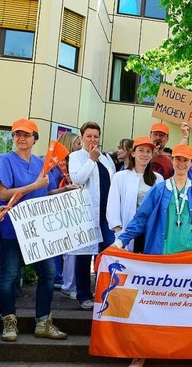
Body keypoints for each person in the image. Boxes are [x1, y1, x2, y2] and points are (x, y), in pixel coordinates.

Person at [113, 143, 192, 367]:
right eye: (178, 159)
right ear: (173, 162)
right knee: (152, 307)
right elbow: (140, 219)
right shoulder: (159, 190)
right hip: (162, 259)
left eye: (185, 160)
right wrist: (121, 240)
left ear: (191, 164)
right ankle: (141, 351)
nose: (181, 164)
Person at [0, 118, 76, 342]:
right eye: (16, 134)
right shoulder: (4, 160)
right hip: (12, 227)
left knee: (49, 274)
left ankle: (43, 321)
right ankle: (9, 321)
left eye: (26, 134)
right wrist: (34, 185)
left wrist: (66, 190)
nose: (20, 138)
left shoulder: (42, 163)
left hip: (39, 231)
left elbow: (46, 192)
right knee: (10, 276)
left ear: (35, 139)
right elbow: (3, 195)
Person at [68, 121, 117, 310]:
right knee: (84, 255)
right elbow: (78, 179)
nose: (92, 140)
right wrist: (91, 159)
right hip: (86, 213)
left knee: (107, 252)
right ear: (81, 138)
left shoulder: (106, 158)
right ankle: (84, 295)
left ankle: (102, 290)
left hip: (106, 214)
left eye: (96, 136)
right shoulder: (76, 156)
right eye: (89, 136)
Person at [106, 136, 164, 253]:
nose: (145, 154)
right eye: (141, 150)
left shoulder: (158, 179)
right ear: (133, 153)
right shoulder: (120, 177)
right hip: (127, 231)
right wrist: (119, 232)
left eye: (148, 151)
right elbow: (113, 206)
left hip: (150, 231)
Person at [53, 132, 82, 300]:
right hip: (59, 209)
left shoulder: (72, 163)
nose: (80, 146)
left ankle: (64, 280)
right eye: (78, 143)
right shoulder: (56, 165)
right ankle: (60, 278)